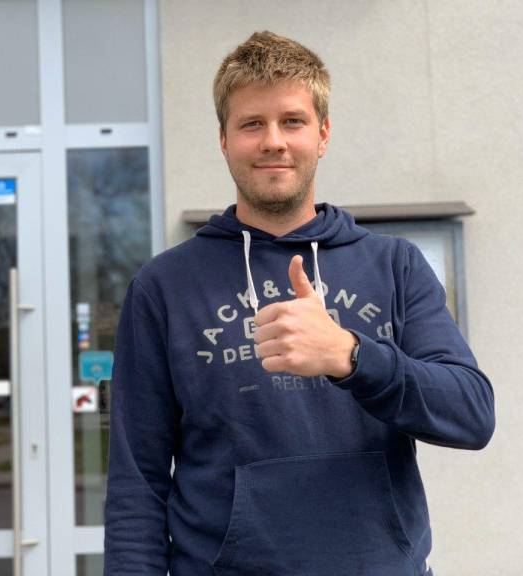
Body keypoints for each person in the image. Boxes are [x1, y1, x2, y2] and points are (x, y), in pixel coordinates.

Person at [103, 31, 495, 576]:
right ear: (223, 139)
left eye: (292, 121)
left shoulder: (394, 266)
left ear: (322, 134)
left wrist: (352, 356)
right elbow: (136, 481)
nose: (273, 142)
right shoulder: (164, 286)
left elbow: (471, 415)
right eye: (251, 124)